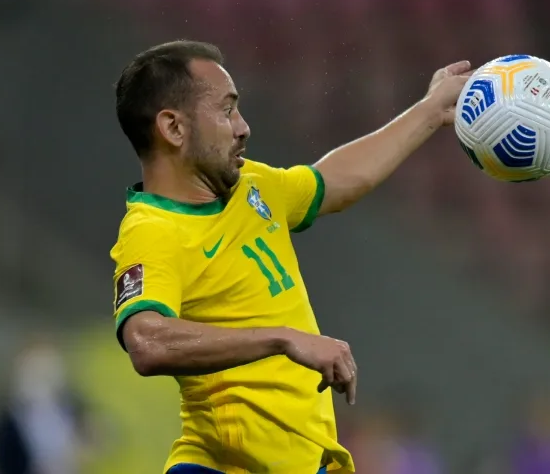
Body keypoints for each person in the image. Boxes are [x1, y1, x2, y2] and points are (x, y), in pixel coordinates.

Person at [110, 40, 470, 474]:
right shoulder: (153, 231)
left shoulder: (252, 186)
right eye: (226, 110)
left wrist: (430, 111)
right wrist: (282, 339)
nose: (243, 127)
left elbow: (333, 181)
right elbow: (147, 340)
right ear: (173, 128)